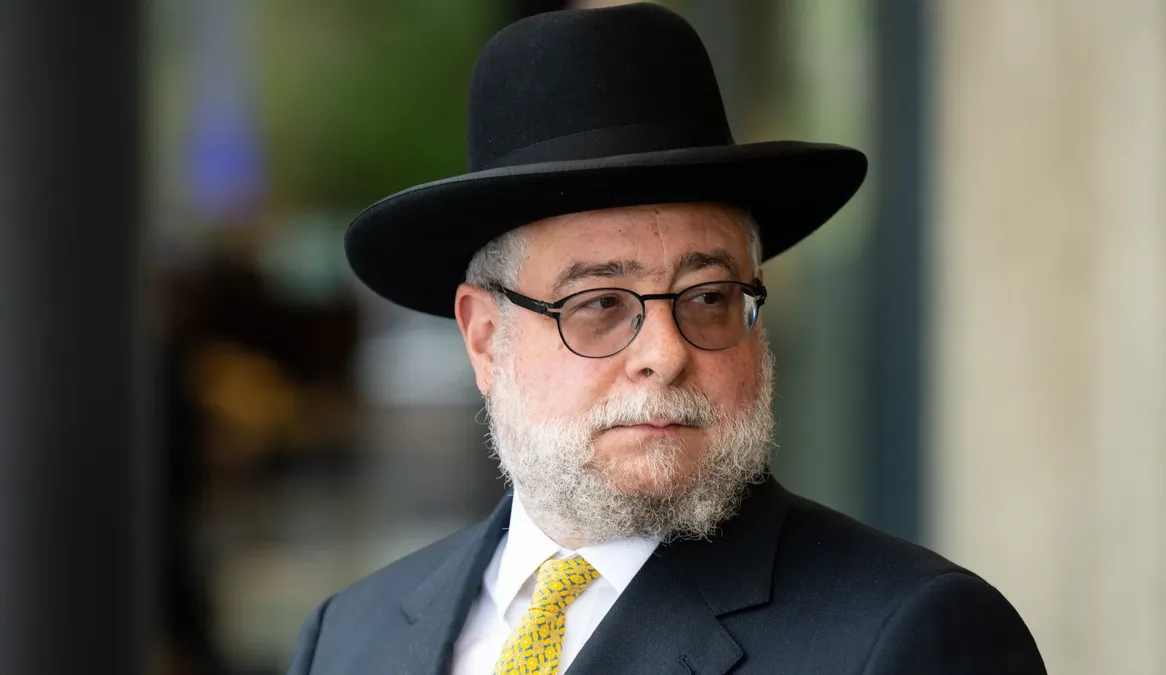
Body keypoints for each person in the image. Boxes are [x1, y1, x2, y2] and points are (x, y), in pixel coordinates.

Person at [286, 4, 1047, 674]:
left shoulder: (906, 637)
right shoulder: (346, 639)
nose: (665, 353)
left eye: (708, 297)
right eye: (599, 303)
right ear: (486, 339)